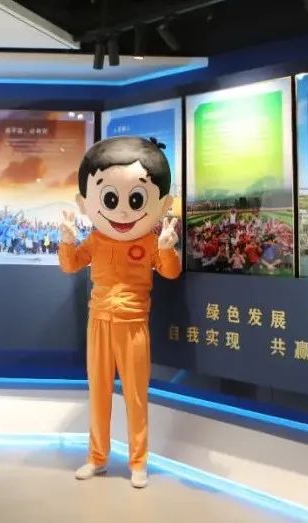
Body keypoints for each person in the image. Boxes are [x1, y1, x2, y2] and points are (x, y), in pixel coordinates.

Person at [59, 136, 181, 489]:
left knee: (135, 396)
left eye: (136, 199)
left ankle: (138, 462)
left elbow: (170, 272)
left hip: (133, 324)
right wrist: (66, 241)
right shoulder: (96, 240)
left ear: (162, 203)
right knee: (98, 393)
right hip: (98, 321)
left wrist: (167, 249)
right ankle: (97, 457)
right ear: (85, 202)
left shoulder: (150, 241)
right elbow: (71, 265)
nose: (123, 212)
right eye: (110, 199)